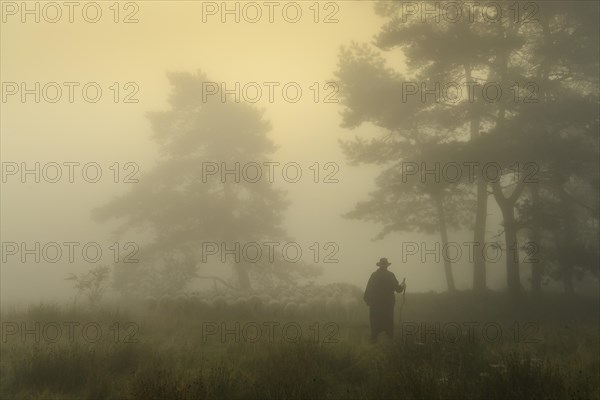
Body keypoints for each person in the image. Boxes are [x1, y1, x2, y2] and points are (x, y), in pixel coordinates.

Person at [363, 257, 406, 343]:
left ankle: (374, 338)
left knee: (375, 319)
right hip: (388, 303)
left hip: (375, 303)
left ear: (380, 265)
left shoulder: (374, 275)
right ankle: (389, 338)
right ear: (387, 266)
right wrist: (402, 285)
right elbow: (398, 289)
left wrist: (368, 300)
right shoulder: (390, 275)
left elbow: (368, 289)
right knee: (388, 319)